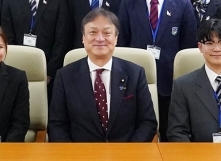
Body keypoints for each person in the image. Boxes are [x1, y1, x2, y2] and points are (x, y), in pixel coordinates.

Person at [118, 0, 197, 141]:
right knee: (138, 136)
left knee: (172, 136)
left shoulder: (183, 4)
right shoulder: (127, 4)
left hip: (171, 83)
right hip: (136, 82)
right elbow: (122, 45)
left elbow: (188, 48)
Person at [48, 9, 157, 142]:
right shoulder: (65, 76)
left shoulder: (135, 73)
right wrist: (73, 157)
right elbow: (57, 125)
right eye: (93, 32)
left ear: (116, 38)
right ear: (83, 38)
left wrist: (129, 154)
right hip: (82, 156)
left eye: (107, 33)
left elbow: (147, 122)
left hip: (126, 155)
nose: (100, 39)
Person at [0, 0, 70, 94]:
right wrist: (15, 67)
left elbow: (61, 40)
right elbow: (7, 36)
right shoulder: (10, 1)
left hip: (49, 72)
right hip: (17, 69)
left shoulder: (59, 0)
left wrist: (49, 72)